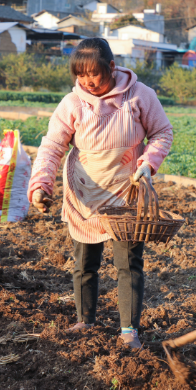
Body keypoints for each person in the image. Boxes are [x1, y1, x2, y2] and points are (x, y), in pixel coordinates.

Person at [27, 38, 173, 349]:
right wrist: (41, 184)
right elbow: (52, 147)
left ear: (111, 67)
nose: (87, 82)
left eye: (93, 74)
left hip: (126, 194)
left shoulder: (139, 96)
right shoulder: (72, 104)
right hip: (85, 193)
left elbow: (162, 132)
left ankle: (128, 331)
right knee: (84, 263)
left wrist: (149, 164)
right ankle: (85, 320)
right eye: (80, 76)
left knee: (129, 263)